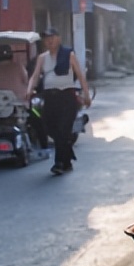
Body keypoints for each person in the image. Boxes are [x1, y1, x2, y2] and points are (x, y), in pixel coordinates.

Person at [27, 27, 91, 175]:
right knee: (49, 128)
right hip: (50, 98)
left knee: (63, 130)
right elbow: (35, 76)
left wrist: (86, 95)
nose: (49, 40)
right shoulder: (42, 58)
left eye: (52, 37)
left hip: (67, 97)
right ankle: (68, 158)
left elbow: (80, 76)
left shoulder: (68, 55)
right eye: (46, 38)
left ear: (59, 38)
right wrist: (29, 89)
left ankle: (59, 163)